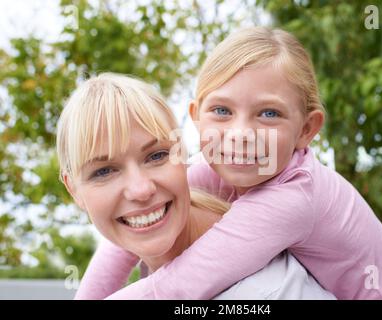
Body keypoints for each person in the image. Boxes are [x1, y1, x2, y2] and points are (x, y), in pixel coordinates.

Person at [74, 27, 382, 300]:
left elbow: (180, 285)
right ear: (196, 117)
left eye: (269, 113)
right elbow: (127, 231)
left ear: (306, 130)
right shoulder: (218, 167)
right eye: (222, 111)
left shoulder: (294, 197)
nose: (241, 134)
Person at [57, 72, 336, 300]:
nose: (141, 190)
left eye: (157, 156)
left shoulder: (265, 291)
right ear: (74, 190)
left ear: (184, 155)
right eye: (104, 171)